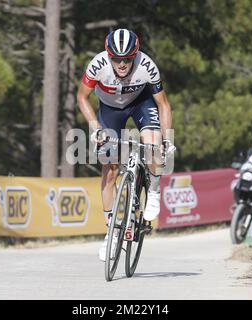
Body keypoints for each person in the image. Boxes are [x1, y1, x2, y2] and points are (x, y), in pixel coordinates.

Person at [76, 28, 176, 261]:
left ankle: (153, 190)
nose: (122, 64)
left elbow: (164, 105)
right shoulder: (97, 65)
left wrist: (166, 139)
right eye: (117, 59)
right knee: (110, 170)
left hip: (141, 104)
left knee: (152, 144)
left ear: (135, 55)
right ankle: (111, 233)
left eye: (128, 59)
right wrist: (94, 126)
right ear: (108, 56)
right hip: (110, 109)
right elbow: (81, 97)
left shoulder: (147, 66)